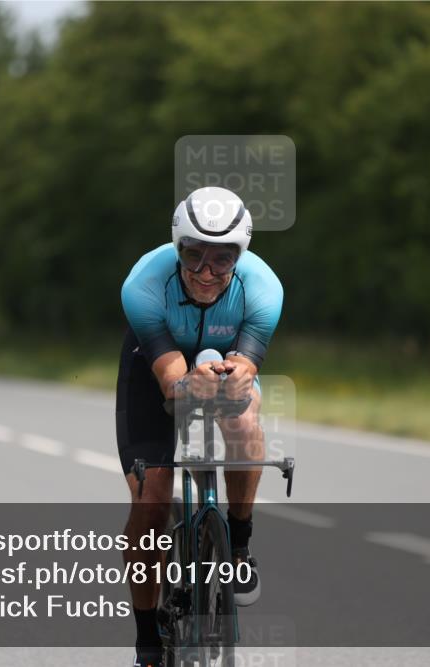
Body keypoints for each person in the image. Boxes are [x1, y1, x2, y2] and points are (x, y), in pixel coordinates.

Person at [117, 186, 283, 667]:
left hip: (223, 368)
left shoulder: (264, 288)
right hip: (154, 375)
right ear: (177, 249)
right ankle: (147, 638)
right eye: (193, 256)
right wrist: (191, 381)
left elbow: (247, 369)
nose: (206, 272)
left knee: (245, 417)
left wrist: (231, 378)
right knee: (151, 501)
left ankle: (239, 542)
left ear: (240, 256)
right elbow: (171, 383)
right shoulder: (143, 286)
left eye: (222, 260)